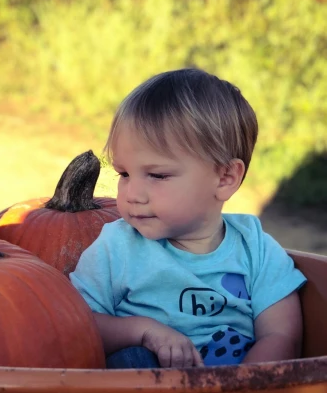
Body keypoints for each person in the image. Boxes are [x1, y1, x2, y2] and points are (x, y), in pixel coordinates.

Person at [69, 68, 306, 369]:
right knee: (133, 360)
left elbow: (282, 335)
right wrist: (142, 331)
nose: (132, 194)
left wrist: (241, 390)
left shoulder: (256, 249)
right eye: (124, 174)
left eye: (157, 175)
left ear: (224, 177)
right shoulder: (116, 247)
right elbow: (76, 324)